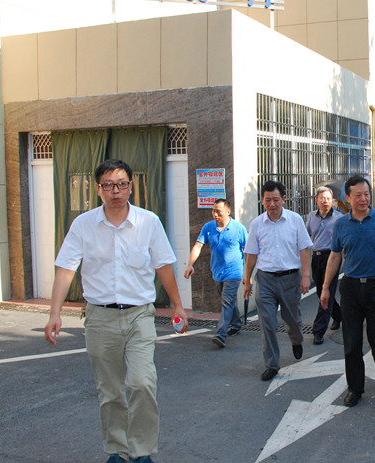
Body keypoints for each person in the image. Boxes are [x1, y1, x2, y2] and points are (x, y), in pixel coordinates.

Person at [45, 159, 188, 463]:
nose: (115, 191)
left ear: (130, 186)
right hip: (99, 318)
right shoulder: (83, 225)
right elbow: (66, 269)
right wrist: (54, 312)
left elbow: (163, 265)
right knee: (109, 390)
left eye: (121, 184)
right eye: (108, 185)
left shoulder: (148, 222)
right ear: (98, 189)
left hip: (139, 315)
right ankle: (118, 450)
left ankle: (142, 451)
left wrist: (178, 305)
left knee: (142, 383)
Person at [320, 176, 375, 408]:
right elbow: (335, 257)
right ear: (348, 198)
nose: (364, 199)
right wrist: (325, 288)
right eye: (358, 195)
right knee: (351, 342)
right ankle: (355, 388)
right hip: (351, 288)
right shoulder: (341, 225)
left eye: (367, 194)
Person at [244, 180, 313, 382]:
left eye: (276, 199)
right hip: (265, 279)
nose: (272, 204)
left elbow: (304, 250)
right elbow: (251, 255)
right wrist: (247, 280)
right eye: (268, 200)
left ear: (283, 200)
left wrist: (306, 276)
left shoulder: (295, 220)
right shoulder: (257, 224)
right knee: (267, 323)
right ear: (262, 201)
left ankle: (296, 340)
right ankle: (272, 364)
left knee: (293, 320)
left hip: (290, 278)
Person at [184, 198, 247, 349]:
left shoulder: (239, 229)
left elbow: (248, 251)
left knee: (226, 300)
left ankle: (221, 334)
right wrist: (190, 264)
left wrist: (248, 274)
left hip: (234, 272)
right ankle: (237, 323)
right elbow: (198, 246)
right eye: (213, 211)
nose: (215, 214)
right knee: (228, 300)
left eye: (218, 211)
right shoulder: (208, 227)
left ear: (228, 212)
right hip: (217, 271)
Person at [306, 186, 344, 345]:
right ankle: (339, 315)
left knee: (327, 291)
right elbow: (306, 236)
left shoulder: (339, 218)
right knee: (320, 291)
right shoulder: (311, 216)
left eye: (328, 199)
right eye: (322, 198)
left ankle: (318, 330)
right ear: (317, 200)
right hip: (316, 258)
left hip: (332, 258)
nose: (325, 201)